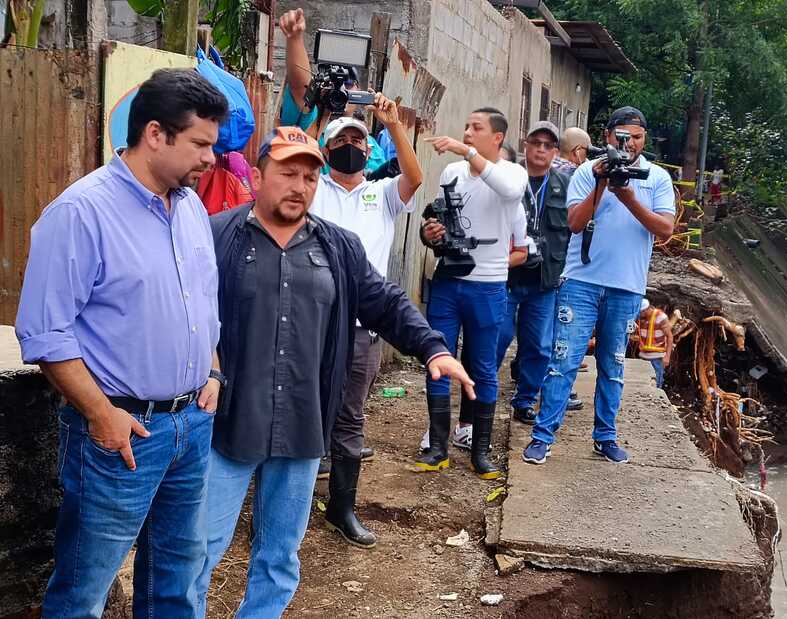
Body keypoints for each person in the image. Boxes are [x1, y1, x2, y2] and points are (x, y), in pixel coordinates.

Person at [195, 126, 473, 618]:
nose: (299, 186)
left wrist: (432, 348)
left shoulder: (338, 247)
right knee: (199, 552)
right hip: (229, 425)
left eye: (308, 176)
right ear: (257, 177)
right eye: (287, 173)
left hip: (303, 423)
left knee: (280, 556)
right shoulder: (216, 236)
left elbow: (385, 301)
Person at [15, 68, 228, 618]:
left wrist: (211, 370)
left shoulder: (189, 208)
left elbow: (200, 302)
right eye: (200, 144)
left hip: (191, 425)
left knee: (176, 581)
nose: (211, 159)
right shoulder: (81, 213)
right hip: (120, 433)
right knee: (84, 590)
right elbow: (44, 333)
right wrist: (101, 414)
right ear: (155, 134)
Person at [522, 106, 676, 466]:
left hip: (626, 286)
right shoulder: (586, 172)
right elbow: (575, 223)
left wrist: (628, 196)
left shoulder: (656, 177)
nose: (629, 144)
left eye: (636, 137)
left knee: (613, 365)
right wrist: (602, 183)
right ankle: (542, 437)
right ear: (607, 137)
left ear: (644, 139)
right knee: (564, 361)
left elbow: (665, 229)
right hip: (581, 281)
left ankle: (605, 437)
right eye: (622, 137)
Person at [308, 95, 423, 548]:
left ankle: (342, 508)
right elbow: (292, 159)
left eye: (358, 141)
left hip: (361, 328)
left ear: (368, 150)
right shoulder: (313, 189)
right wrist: (320, 116)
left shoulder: (382, 195)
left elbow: (415, 177)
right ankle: (288, 505)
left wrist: (393, 124)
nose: (351, 146)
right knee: (302, 408)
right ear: (327, 150)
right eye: (341, 141)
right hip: (312, 320)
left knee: (350, 416)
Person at [417, 108, 528, 479]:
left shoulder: (512, 173)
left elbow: (509, 191)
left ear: (497, 137)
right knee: (437, 360)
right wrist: (431, 234)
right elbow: (439, 221)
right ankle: (437, 446)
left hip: (488, 284)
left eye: (475, 128)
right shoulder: (452, 173)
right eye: (465, 127)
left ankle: (480, 450)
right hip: (448, 281)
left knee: (482, 367)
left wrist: (467, 152)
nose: (466, 132)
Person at [495, 121, 577, 425]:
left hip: (544, 279)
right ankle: (481, 391)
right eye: (536, 143)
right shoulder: (508, 178)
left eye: (547, 145)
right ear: (525, 146)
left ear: (555, 151)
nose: (541, 150)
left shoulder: (565, 186)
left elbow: (574, 231)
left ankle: (525, 399)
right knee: (498, 336)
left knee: (539, 346)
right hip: (506, 275)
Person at [278, 8, 386, 172]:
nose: (339, 88)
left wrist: (393, 125)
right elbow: (299, 87)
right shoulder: (309, 118)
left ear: (358, 89)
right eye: (331, 83)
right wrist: (295, 38)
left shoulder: (373, 148)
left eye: (347, 83)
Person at [637, 298, 673, 388]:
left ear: (646, 310)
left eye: (641, 312)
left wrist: (667, 356)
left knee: (656, 383)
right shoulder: (641, 318)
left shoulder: (661, 317)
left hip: (657, 357)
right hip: (643, 356)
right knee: (643, 383)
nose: (639, 315)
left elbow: (669, 336)